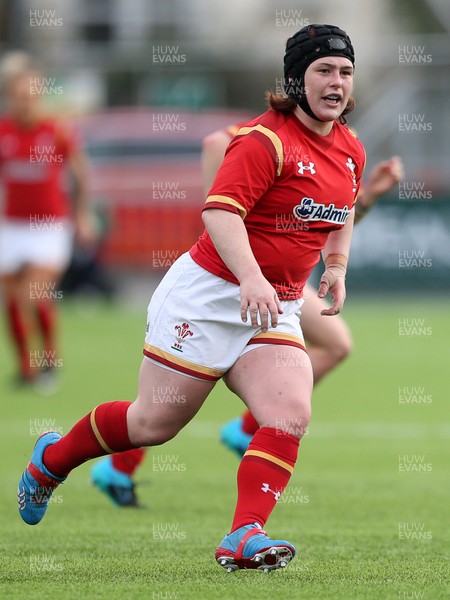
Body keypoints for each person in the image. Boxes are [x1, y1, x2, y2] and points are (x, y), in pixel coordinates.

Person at [18, 24, 366, 572]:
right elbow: (220, 211)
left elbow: (341, 211)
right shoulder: (264, 140)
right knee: (152, 425)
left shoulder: (349, 150)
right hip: (208, 296)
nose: (337, 82)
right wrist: (250, 276)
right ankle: (51, 460)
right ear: (297, 79)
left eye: (345, 72)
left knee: (290, 412)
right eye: (324, 70)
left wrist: (338, 266)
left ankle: (244, 535)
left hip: (272, 307)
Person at [89, 146, 403, 500]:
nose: (338, 91)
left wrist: (367, 199)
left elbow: (326, 223)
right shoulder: (262, 139)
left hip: (284, 286)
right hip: (227, 279)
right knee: (160, 413)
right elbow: (219, 201)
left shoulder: (340, 146)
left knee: (332, 349)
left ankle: (248, 442)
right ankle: (118, 464)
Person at [0, 52, 93, 391]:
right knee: (11, 300)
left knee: (34, 294)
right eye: (16, 96)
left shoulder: (56, 131)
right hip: (11, 226)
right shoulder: (4, 131)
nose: (23, 103)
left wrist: (83, 214)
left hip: (48, 226)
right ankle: (26, 368)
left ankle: (50, 361)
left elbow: (80, 173)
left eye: (29, 96)